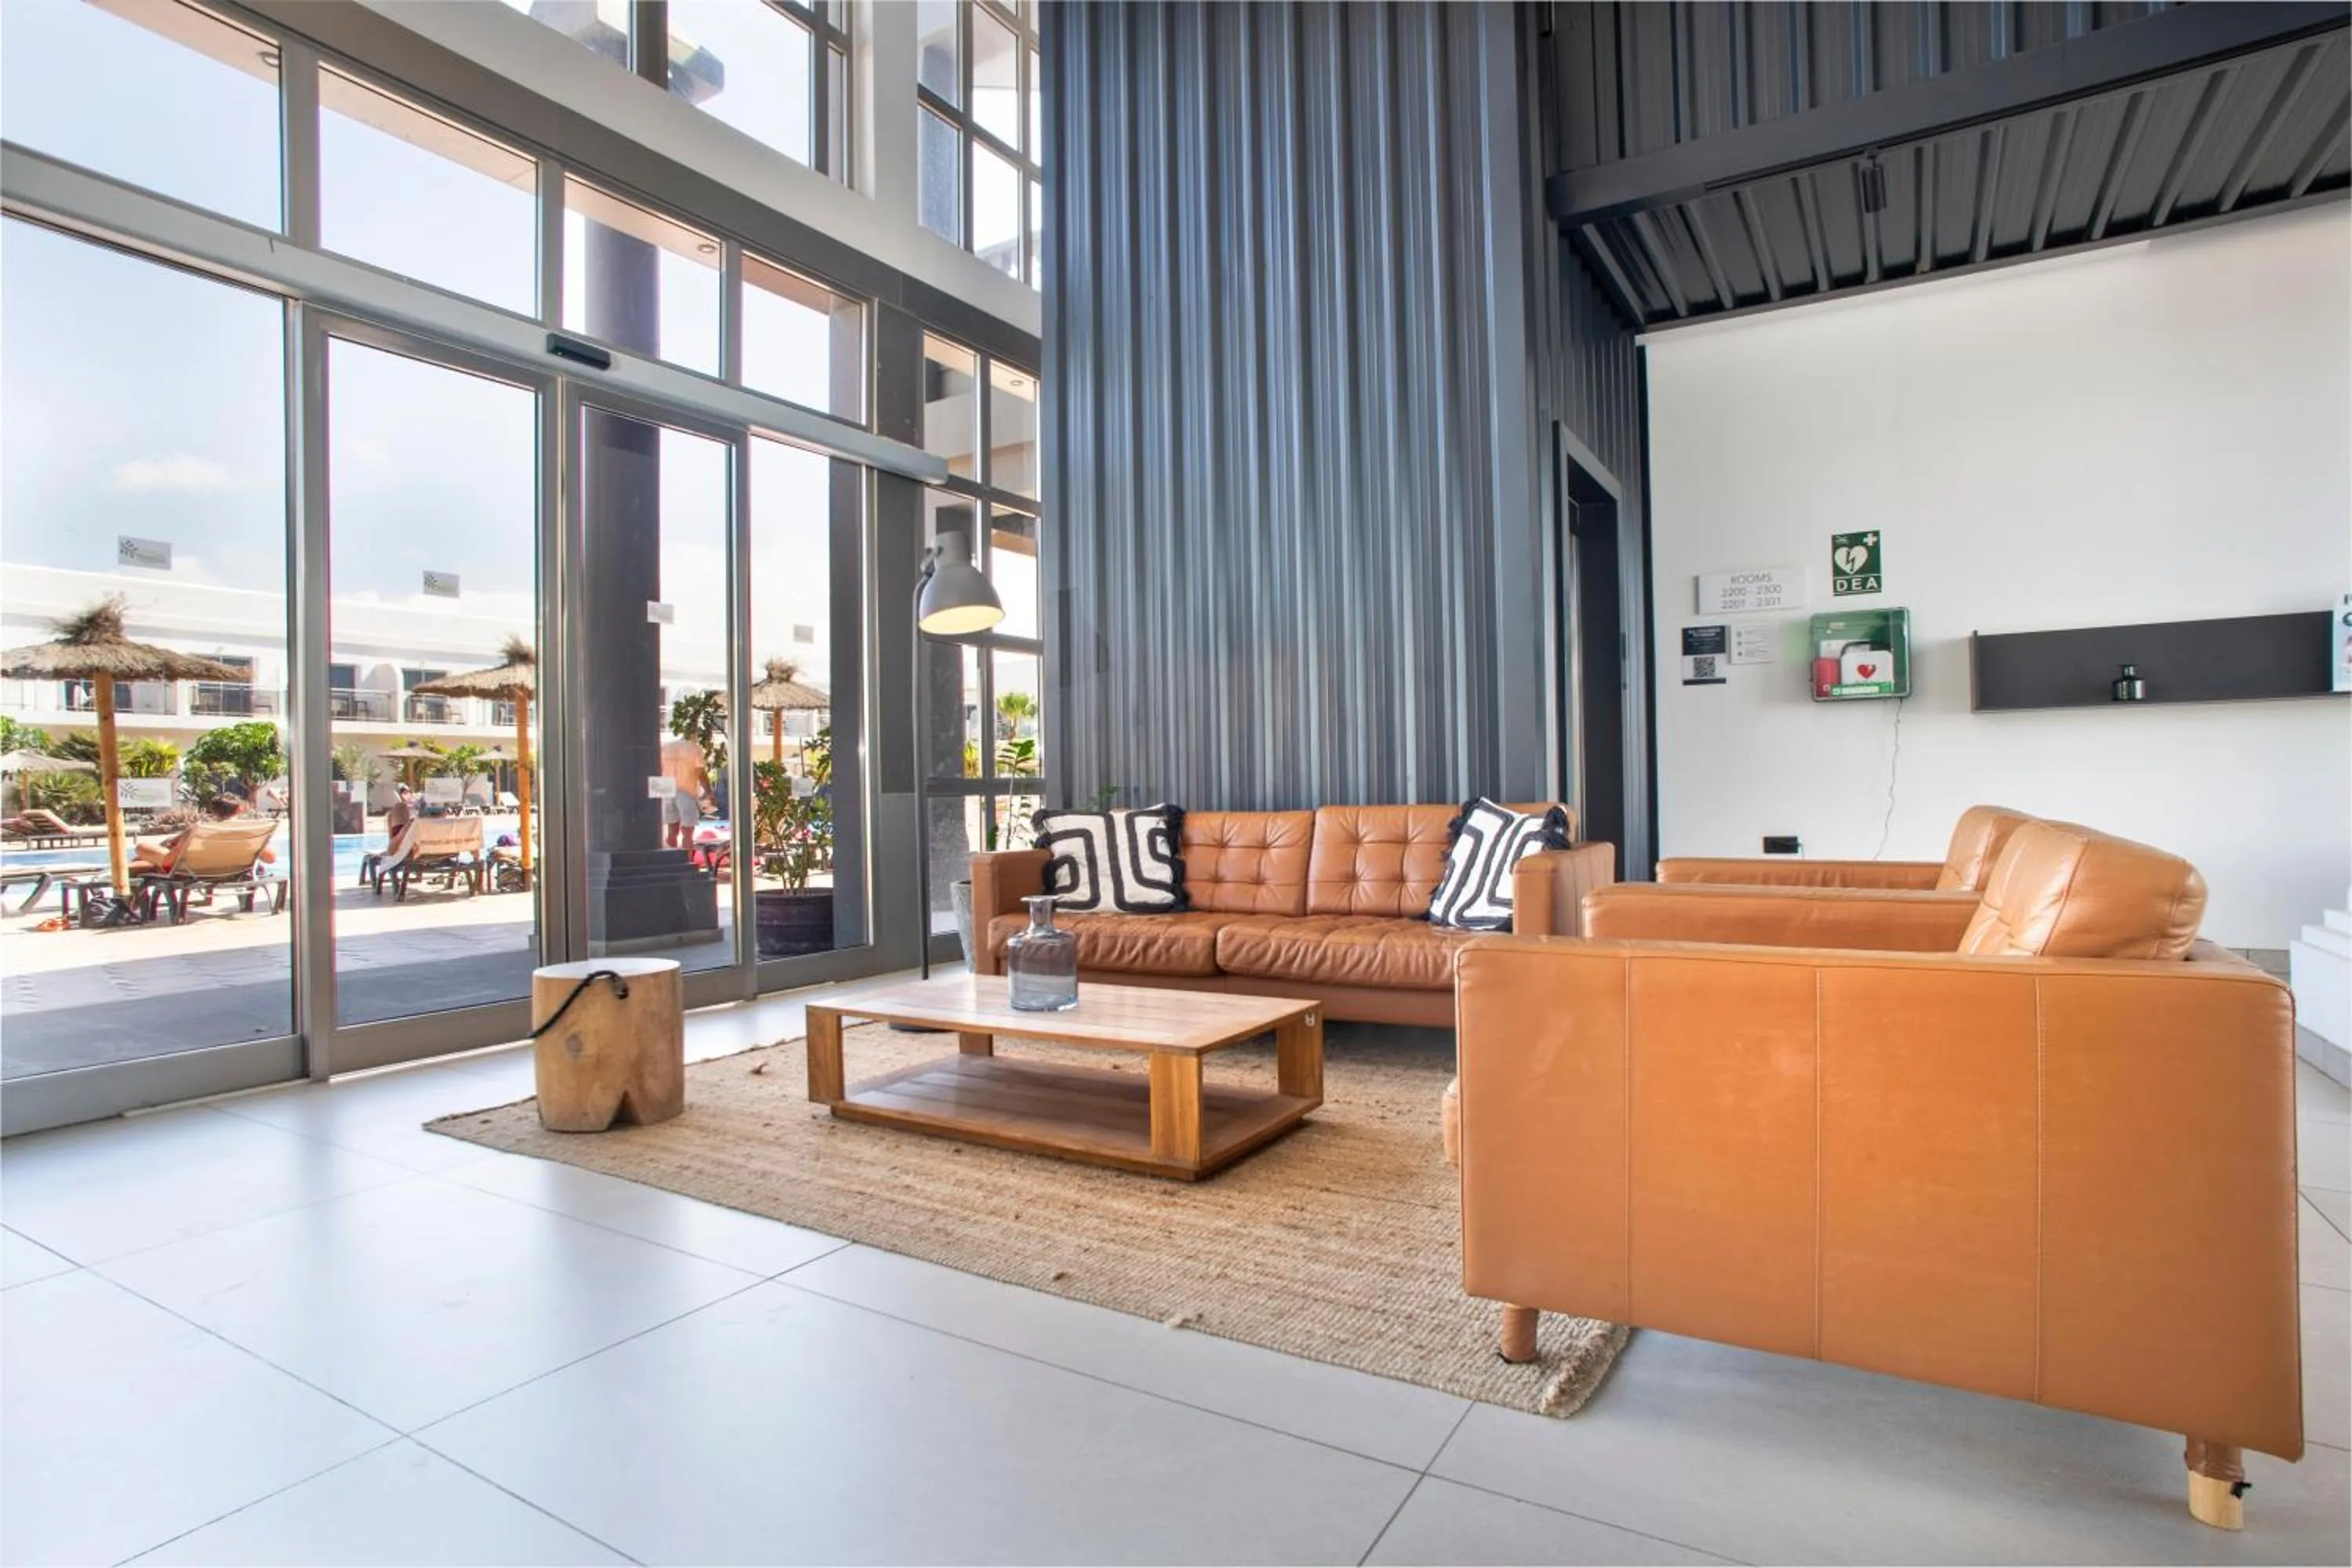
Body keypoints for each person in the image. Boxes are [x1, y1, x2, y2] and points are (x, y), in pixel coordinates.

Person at [662, 782, 701, 850]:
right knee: (687, 835)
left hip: (666, 785)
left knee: (672, 833)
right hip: (686, 786)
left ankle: (671, 856)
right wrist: (708, 791)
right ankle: (686, 856)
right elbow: (701, 775)